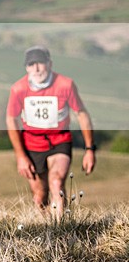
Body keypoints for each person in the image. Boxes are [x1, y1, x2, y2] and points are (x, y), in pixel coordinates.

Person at [6, 45, 96, 216]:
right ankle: (44, 231)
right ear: (26, 68)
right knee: (39, 196)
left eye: (40, 63)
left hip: (59, 140)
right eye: (31, 65)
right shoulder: (18, 89)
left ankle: (60, 229)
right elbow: (11, 119)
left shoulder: (65, 85)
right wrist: (20, 156)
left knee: (56, 182)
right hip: (32, 144)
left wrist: (90, 149)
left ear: (50, 63)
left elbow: (82, 114)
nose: (36, 69)